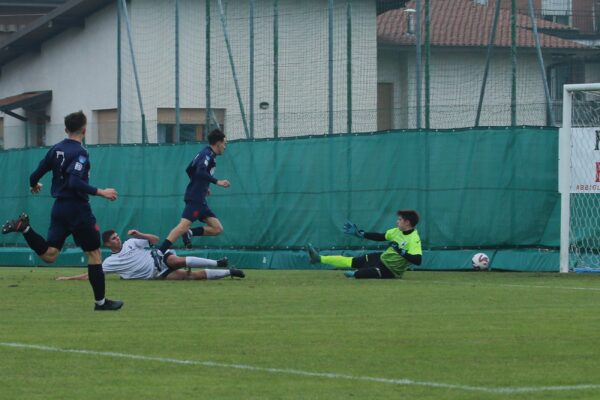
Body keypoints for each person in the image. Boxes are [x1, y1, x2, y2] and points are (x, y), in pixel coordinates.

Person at [1, 111, 123, 310]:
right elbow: (74, 181)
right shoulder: (81, 153)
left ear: (66, 129)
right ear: (85, 129)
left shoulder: (56, 149)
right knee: (94, 253)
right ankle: (101, 303)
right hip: (77, 208)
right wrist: (101, 192)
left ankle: (25, 229)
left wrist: (34, 185)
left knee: (50, 255)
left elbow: (35, 174)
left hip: (59, 208)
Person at [56, 229, 245, 281]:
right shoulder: (111, 261)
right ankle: (230, 271)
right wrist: (68, 278)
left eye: (117, 236)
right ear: (107, 244)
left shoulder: (131, 242)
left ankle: (217, 262)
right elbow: (92, 275)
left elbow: (155, 240)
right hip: (157, 274)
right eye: (113, 239)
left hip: (159, 257)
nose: (117, 239)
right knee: (193, 276)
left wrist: (140, 235)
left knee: (176, 260)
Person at [158, 129, 230, 254]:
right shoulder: (207, 155)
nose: (225, 146)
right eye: (224, 143)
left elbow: (189, 169)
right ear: (218, 143)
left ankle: (189, 233)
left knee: (217, 228)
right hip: (195, 198)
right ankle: (159, 252)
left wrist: (203, 186)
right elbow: (200, 171)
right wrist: (217, 182)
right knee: (182, 226)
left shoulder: (205, 153)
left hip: (200, 199)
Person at [306, 210, 422, 279]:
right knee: (352, 261)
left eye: (400, 219)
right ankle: (318, 258)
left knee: (358, 274)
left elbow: (417, 260)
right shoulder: (397, 231)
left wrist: (400, 251)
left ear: (407, 222)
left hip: (391, 271)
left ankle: (356, 274)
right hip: (381, 258)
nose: (397, 221)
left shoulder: (414, 238)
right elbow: (380, 236)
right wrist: (360, 234)